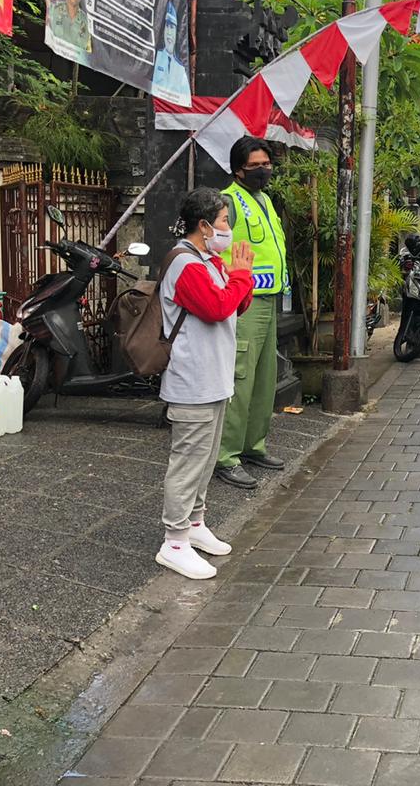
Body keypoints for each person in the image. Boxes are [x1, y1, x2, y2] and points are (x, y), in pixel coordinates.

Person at [156, 188, 255, 580]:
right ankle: (174, 541)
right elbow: (216, 307)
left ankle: (194, 524)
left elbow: (235, 303)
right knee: (188, 462)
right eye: (224, 221)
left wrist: (240, 278)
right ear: (203, 225)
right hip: (192, 381)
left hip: (214, 379)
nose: (228, 228)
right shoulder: (185, 264)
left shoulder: (208, 261)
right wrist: (241, 275)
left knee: (206, 459)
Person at [214, 140, 291, 489]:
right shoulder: (228, 201)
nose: (264, 170)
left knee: (263, 378)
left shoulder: (264, 200)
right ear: (238, 170)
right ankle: (225, 456)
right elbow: (215, 250)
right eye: (255, 165)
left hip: (269, 299)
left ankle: (253, 445)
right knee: (240, 377)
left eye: (267, 164)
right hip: (244, 302)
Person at [152, 2, 191, 100]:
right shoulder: (155, 59)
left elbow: (185, 98)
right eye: (167, 26)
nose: (169, 33)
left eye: (172, 27)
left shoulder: (180, 69)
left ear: (176, 33)